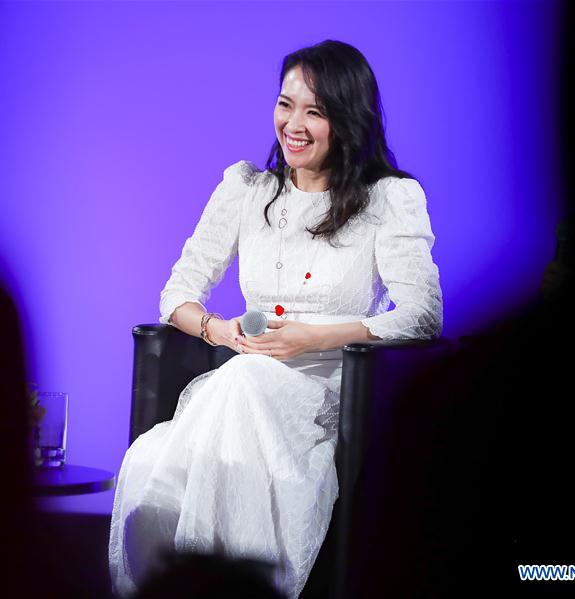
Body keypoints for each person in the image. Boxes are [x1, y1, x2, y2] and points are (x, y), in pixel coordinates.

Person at [109, 39, 443, 599]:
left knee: (238, 389)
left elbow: (422, 314)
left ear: (348, 118)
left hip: (326, 393)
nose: (295, 124)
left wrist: (318, 336)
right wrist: (221, 331)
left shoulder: (390, 198)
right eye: (285, 104)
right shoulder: (246, 189)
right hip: (242, 384)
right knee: (153, 487)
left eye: (315, 111)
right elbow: (176, 295)